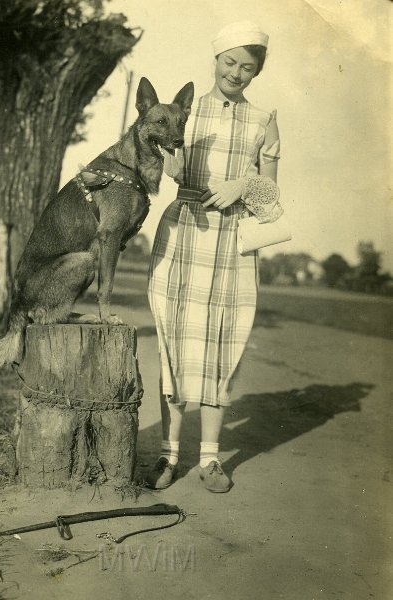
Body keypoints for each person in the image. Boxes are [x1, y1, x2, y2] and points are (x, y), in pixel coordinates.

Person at [146, 21, 283, 493]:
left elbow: (272, 196)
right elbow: (161, 161)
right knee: (174, 341)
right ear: (216, 60)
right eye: (230, 62)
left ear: (257, 71)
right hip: (183, 232)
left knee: (222, 345)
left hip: (232, 244)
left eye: (248, 67)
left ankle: (208, 460)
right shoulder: (188, 110)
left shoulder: (264, 120)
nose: (236, 73)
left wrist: (242, 185)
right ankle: (168, 455)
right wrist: (171, 167)